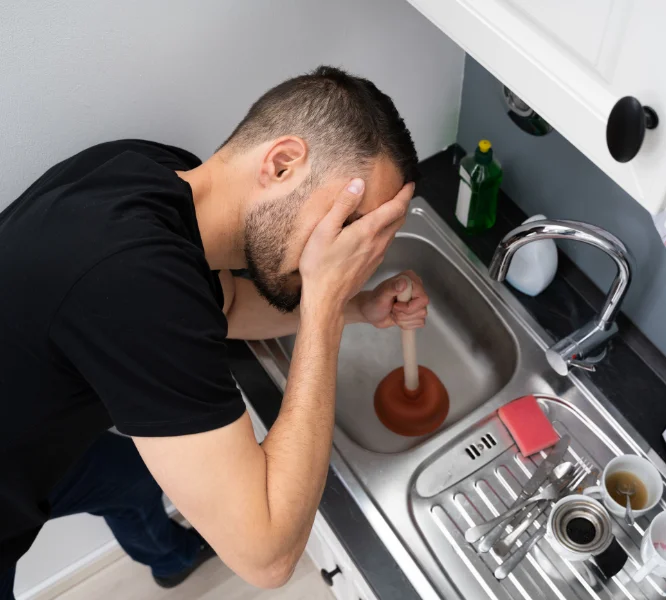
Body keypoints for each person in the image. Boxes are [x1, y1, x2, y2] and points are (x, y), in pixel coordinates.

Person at [0, 66, 429, 597]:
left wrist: (359, 305)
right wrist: (324, 305)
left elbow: (226, 306)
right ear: (282, 163)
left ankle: (169, 555)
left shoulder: (160, 174)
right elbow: (268, 557)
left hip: (31, 422)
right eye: (349, 223)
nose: (351, 255)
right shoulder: (134, 283)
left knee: (130, 480)